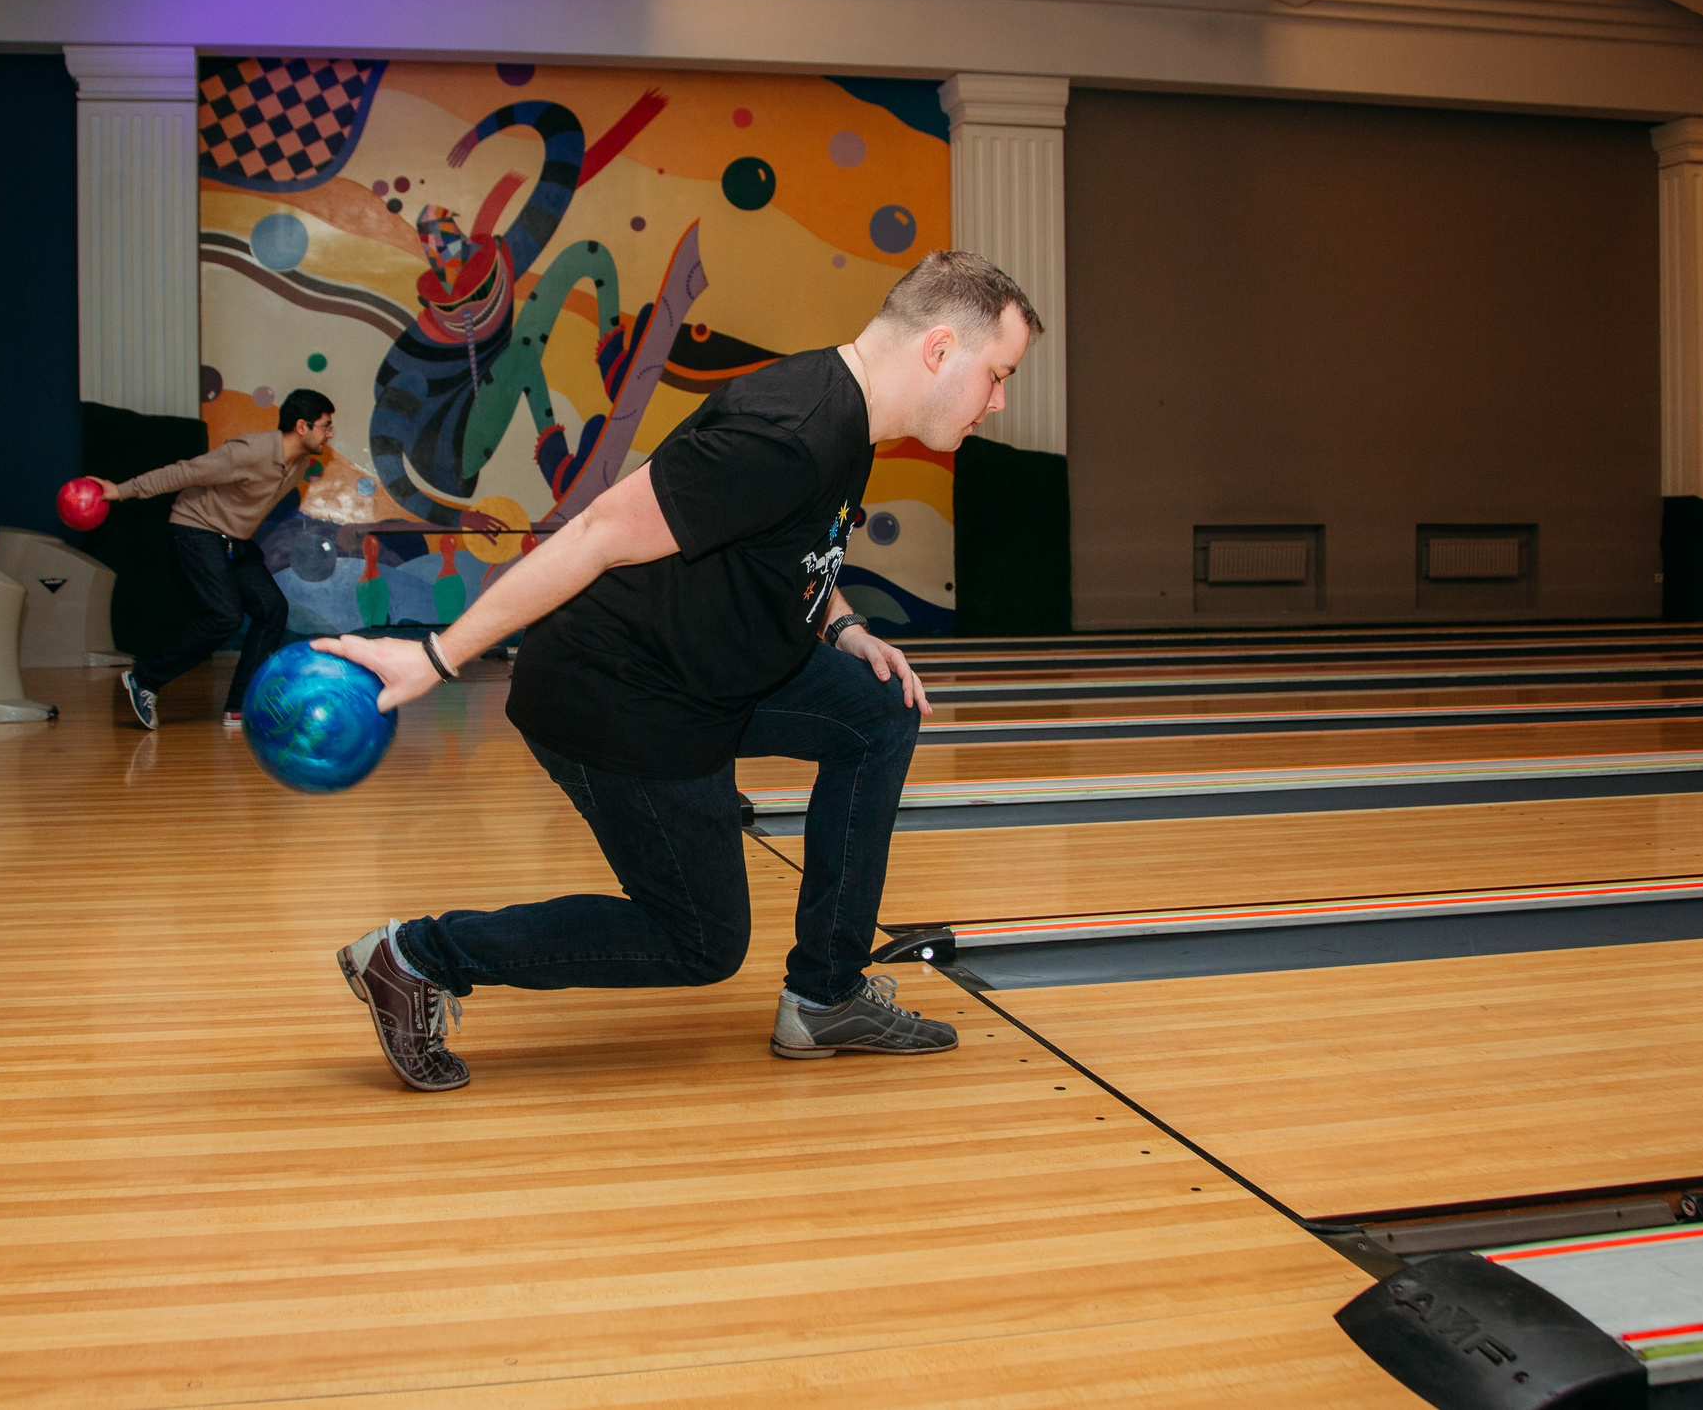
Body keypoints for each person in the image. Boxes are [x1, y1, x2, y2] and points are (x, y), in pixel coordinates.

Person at [318, 250, 1038, 1092]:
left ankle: (826, 995)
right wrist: (438, 654)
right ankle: (417, 957)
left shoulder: (849, 414)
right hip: (623, 695)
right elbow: (595, 533)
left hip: (713, 672)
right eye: (999, 374)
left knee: (877, 713)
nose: (998, 400)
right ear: (941, 348)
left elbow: (792, 541)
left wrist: (843, 628)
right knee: (699, 939)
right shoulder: (792, 431)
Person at [86, 390, 333, 732]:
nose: (329, 434)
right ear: (302, 426)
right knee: (225, 615)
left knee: (272, 607)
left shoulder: (300, 464)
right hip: (195, 530)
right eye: (325, 426)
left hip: (232, 541)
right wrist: (120, 490)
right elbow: (184, 472)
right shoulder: (248, 452)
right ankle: (144, 678)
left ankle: (239, 705)